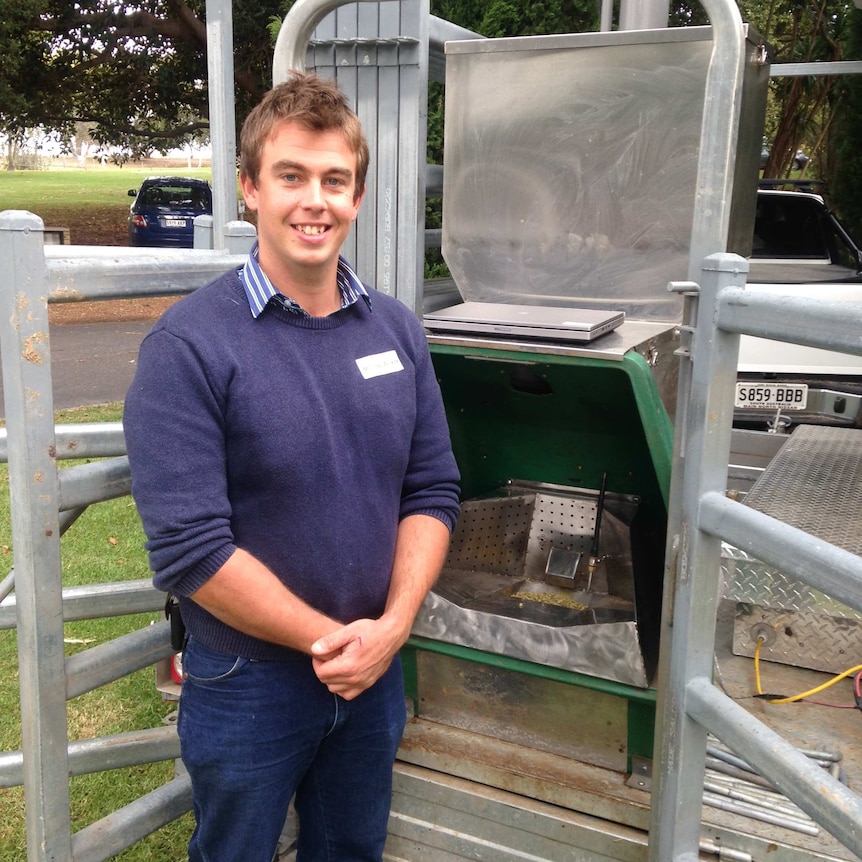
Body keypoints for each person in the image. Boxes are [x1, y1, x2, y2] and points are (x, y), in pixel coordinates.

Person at [123, 71, 461, 862]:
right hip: (248, 682)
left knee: (351, 849)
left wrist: (393, 629)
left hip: (373, 673)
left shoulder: (398, 331)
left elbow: (433, 489)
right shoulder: (189, 347)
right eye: (292, 176)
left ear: (357, 195)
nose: (316, 200)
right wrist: (337, 645)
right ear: (248, 189)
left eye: (335, 180)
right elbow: (191, 550)